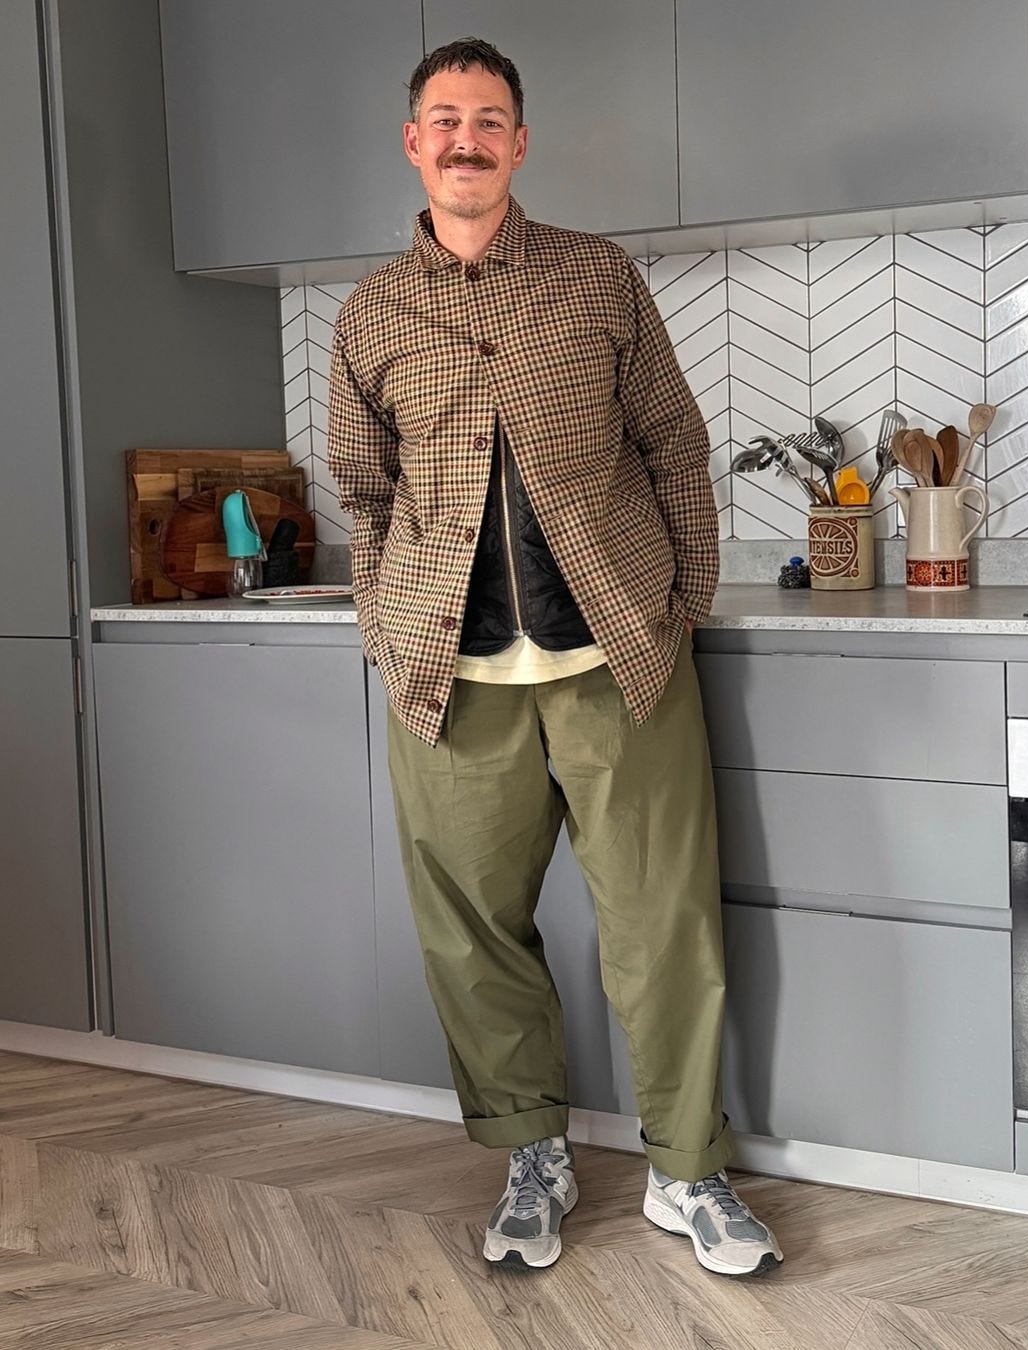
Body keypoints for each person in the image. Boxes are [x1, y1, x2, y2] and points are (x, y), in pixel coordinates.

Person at [327, 36, 782, 1278]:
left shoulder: (597, 279)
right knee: (473, 937)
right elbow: (367, 497)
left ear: (520, 142)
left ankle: (687, 1171)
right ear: (413, 143)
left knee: (665, 924)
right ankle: (534, 1152)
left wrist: (678, 601)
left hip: (618, 661)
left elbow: (677, 450)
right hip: (446, 681)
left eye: (489, 118)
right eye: (443, 118)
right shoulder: (371, 314)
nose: (466, 138)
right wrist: (386, 625)